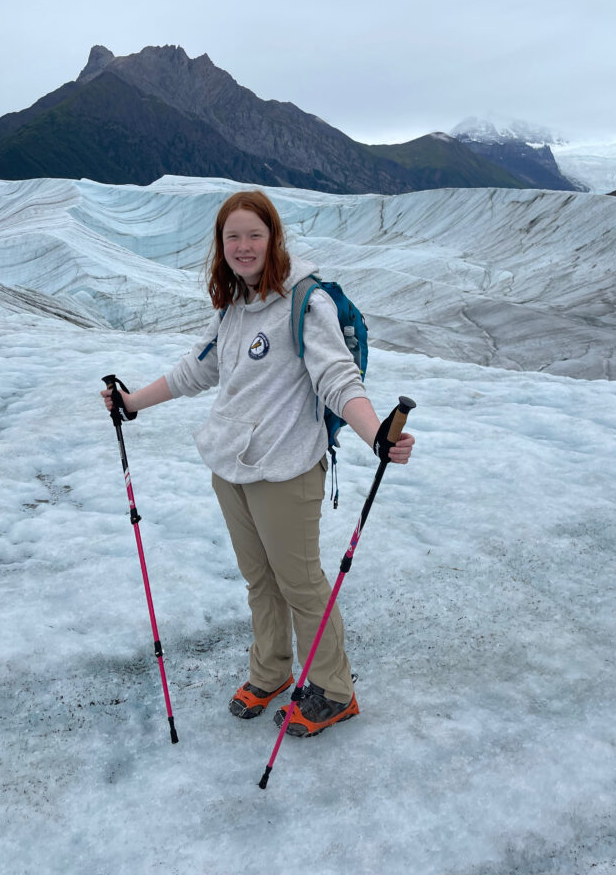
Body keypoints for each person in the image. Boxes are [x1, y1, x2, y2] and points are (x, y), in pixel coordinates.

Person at [101, 189, 414, 736]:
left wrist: (375, 436)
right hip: (233, 468)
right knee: (260, 581)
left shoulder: (304, 303)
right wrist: (131, 405)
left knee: (301, 584)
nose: (243, 246)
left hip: (286, 470)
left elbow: (337, 378)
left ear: (273, 238)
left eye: (254, 235)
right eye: (232, 237)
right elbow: (194, 371)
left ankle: (335, 690)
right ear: (220, 246)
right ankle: (270, 672)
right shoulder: (234, 307)